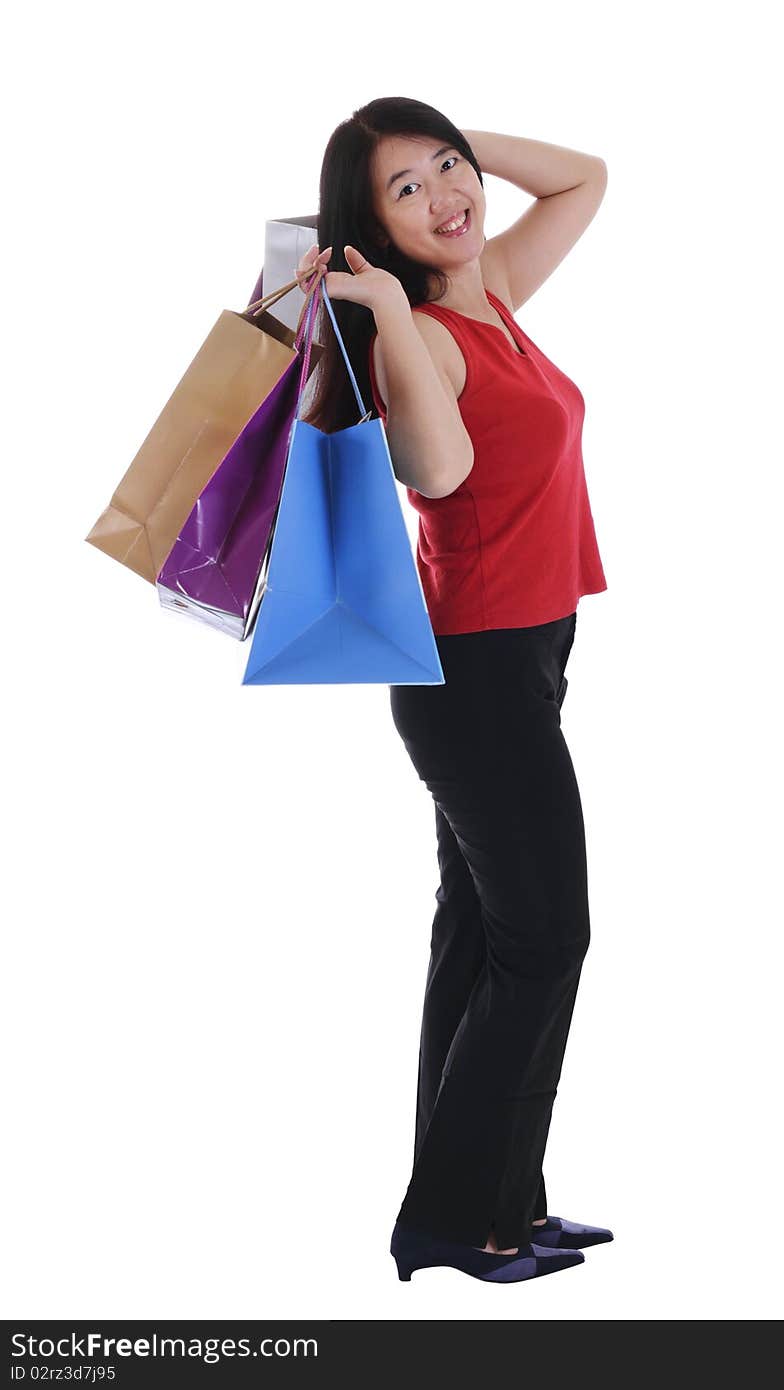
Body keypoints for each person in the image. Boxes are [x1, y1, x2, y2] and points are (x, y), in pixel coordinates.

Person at [295, 97, 614, 1284]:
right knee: (548, 938)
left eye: (450, 169)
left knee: (486, 939)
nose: (448, 197)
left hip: (527, 650)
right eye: (407, 190)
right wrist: (380, 307)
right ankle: (450, 1216)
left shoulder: (493, 298)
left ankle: (497, 1203)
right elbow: (440, 468)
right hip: (473, 673)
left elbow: (584, 177)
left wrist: (459, 137)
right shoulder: (420, 331)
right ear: (373, 232)